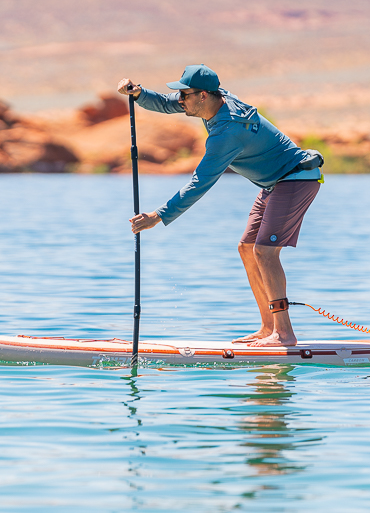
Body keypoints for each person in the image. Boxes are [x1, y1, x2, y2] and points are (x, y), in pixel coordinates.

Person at [117, 64, 322, 347]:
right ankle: (268, 328)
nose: (180, 100)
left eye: (185, 95)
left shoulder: (227, 131)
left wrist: (158, 216)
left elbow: (199, 183)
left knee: (264, 251)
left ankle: (284, 334)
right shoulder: (216, 99)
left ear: (202, 96)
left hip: (296, 178)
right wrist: (139, 94)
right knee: (247, 249)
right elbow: (165, 102)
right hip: (274, 183)